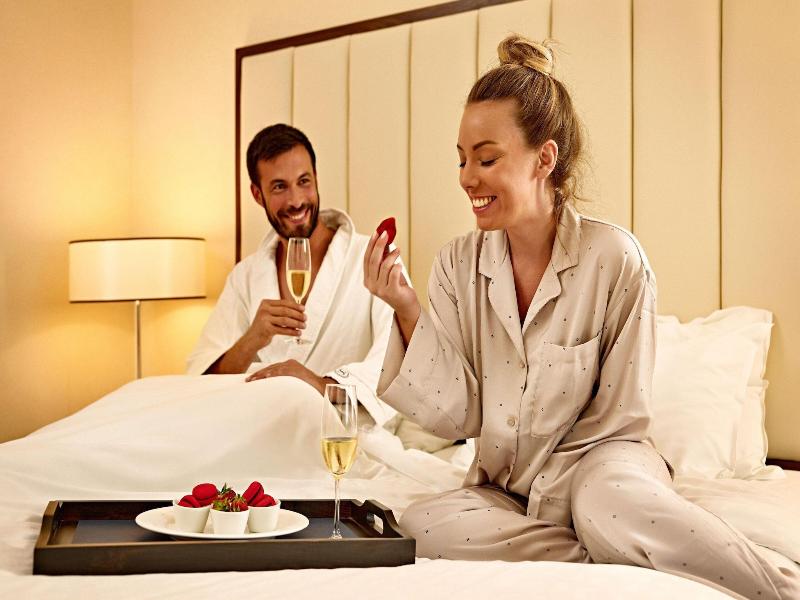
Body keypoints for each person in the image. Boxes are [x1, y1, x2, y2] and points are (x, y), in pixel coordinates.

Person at [363, 35, 799, 599]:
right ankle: (608, 553)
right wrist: (404, 305)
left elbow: (620, 415)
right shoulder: (456, 264)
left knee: (608, 503)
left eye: (487, 159)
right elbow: (459, 416)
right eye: (462, 159)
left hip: (604, 468)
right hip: (506, 489)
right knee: (419, 524)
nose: (467, 177)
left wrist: (563, 497)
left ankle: (781, 588)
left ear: (544, 159)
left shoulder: (615, 259)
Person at [187, 124, 396, 427]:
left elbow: (396, 365)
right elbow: (201, 383)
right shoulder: (245, 277)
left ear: (316, 179)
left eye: (303, 181)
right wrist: (252, 340)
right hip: (259, 428)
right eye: (279, 187)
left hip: (340, 432)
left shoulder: (372, 257)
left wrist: (316, 383)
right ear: (257, 194)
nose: (296, 200)